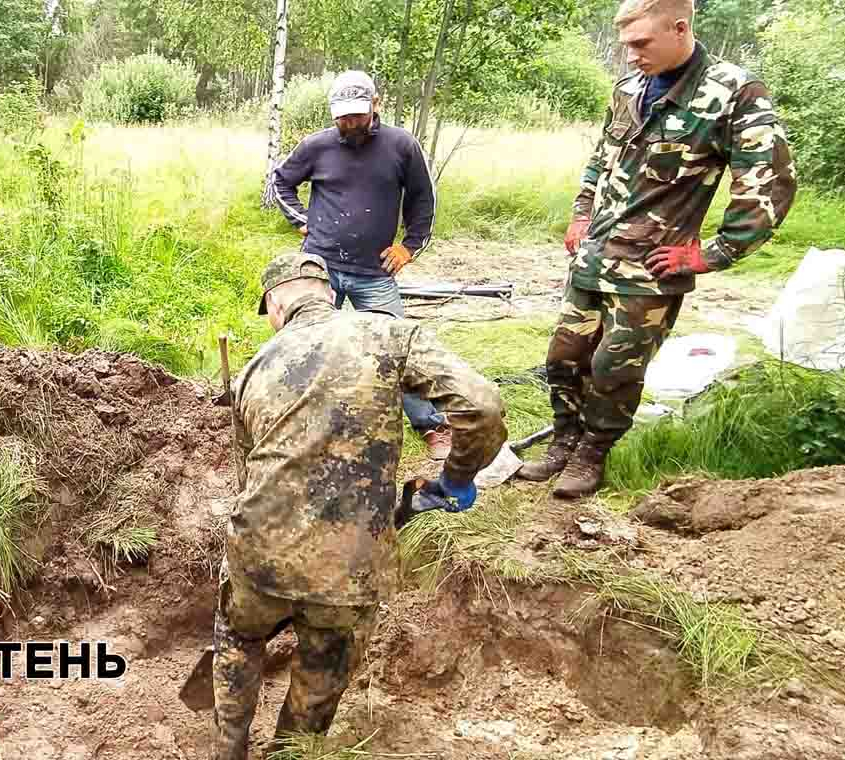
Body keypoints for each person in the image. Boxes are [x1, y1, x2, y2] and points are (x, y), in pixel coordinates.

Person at [210, 252, 507, 759]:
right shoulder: (389, 334)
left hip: (258, 555)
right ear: (326, 292)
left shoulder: (255, 368)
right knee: (321, 677)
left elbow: (248, 477)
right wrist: (456, 478)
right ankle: (290, 752)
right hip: (348, 573)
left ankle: (227, 751)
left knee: (238, 641)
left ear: (276, 306)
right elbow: (480, 406)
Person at [517, 0, 797, 496]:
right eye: (625, 44)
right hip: (595, 254)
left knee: (614, 367)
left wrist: (714, 253)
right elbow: (601, 158)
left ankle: (592, 453)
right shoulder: (628, 89)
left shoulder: (733, 93)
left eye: (641, 43)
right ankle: (562, 441)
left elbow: (768, 181)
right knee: (563, 358)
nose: (630, 56)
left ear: (680, 28)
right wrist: (582, 212)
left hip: (650, 269)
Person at [269, 70, 454, 460]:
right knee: (304, 344)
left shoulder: (401, 146)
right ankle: (291, 418)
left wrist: (410, 246)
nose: (349, 123)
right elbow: (280, 182)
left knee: (398, 350)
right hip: (321, 269)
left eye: (357, 115)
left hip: (375, 273)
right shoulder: (316, 146)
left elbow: (423, 201)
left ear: (375, 104)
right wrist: (301, 220)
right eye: (342, 116)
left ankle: (431, 424)